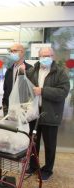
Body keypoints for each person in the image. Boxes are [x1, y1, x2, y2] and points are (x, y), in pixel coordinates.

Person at [24, 47, 70, 181]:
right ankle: (33, 166)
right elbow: (26, 88)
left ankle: (48, 169)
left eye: (49, 55)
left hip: (50, 114)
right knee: (32, 143)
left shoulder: (60, 73)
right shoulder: (32, 71)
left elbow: (63, 92)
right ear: (39, 57)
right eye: (43, 56)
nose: (46, 58)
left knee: (50, 144)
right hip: (34, 114)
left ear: (53, 56)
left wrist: (43, 91)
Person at [2, 43, 32, 116]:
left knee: (22, 127)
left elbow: (32, 90)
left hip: (23, 108)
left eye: (15, 51)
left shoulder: (30, 69)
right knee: (9, 127)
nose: (12, 53)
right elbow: (6, 88)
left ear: (22, 52)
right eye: (11, 51)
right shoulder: (9, 70)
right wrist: (5, 103)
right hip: (10, 107)